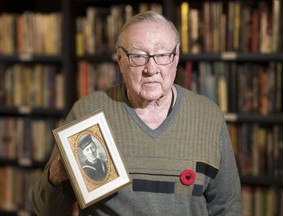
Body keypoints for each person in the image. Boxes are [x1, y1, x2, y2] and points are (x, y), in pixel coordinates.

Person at [32, 11, 242, 215]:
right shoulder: (88, 113)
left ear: (176, 56)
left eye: (162, 55)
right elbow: (47, 210)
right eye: (138, 56)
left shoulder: (208, 117)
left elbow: (227, 207)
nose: (151, 69)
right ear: (120, 58)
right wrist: (57, 174)